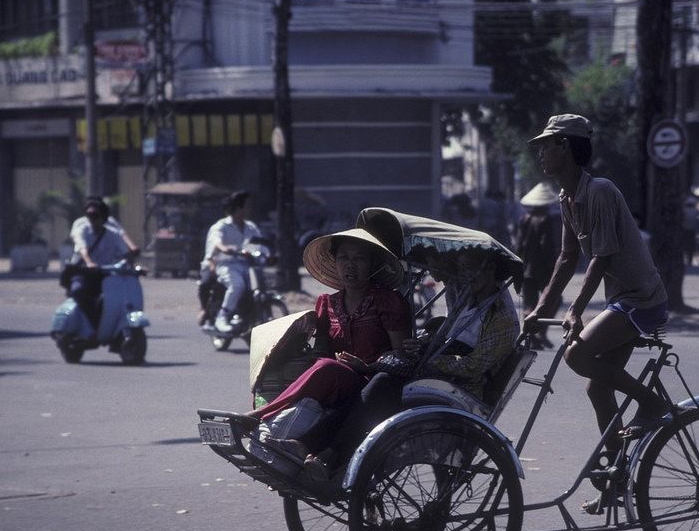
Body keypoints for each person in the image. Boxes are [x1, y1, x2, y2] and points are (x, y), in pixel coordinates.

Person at [521, 114, 670, 514]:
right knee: (596, 387)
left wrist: (575, 311)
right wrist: (540, 309)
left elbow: (600, 258)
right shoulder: (568, 198)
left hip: (641, 299)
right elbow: (567, 257)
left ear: (566, 147)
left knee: (576, 355)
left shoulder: (600, 191)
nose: (540, 153)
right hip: (622, 301)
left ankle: (652, 404)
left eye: (547, 145)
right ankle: (617, 479)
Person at [310, 248, 520, 481]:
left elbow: (472, 366)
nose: (463, 275)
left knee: (384, 384)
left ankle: (334, 453)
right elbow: (445, 314)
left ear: (490, 269)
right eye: (460, 269)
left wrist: (428, 361)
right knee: (369, 384)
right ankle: (317, 447)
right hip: (439, 372)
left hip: (463, 386)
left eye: (468, 269)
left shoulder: (502, 318)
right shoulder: (468, 300)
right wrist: (420, 345)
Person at [244, 228, 409, 471]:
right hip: (336, 382)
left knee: (326, 367)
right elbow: (321, 352)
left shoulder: (388, 301)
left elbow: (402, 357)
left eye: (359, 259)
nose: (350, 266)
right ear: (335, 263)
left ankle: (259, 416)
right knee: (320, 366)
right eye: (344, 258)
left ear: (372, 264)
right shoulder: (327, 303)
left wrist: (367, 366)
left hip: (375, 381)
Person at [202, 191, 266, 332]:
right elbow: (217, 242)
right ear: (238, 207)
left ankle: (247, 317)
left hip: (246, 265)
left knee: (258, 289)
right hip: (225, 264)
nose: (250, 209)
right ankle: (222, 316)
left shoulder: (251, 227)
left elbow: (259, 244)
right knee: (237, 286)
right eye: (247, 206)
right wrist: (225, 248)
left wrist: (268, 254)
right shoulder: (221, 226)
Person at [67, 197, 133, 326]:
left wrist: (135, 266)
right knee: (78, 290)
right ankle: (93, 324)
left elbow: (125, 253)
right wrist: (89, 262)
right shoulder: (82, 230)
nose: (91, 219)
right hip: (83, 273)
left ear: (104, 217)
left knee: (115, 295)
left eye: (95, 215)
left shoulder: (112, 234)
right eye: (89, 215)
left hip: (104, 275)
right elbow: (82, 248)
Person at [514, 182, 560, 349]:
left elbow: (518, 245)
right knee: (553, 299)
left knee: (530, 304)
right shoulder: (545, 220)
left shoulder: (524, 219)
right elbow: (546, 245)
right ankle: (541, 332)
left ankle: (533, 336)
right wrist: (554, 267)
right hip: (543, 269)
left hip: (526, 269)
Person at [70, 196, 139, 255]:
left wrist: (132, 246)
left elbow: (121, 234)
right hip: (84, 262)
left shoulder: (110, 221)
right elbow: (76, 238)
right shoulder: (80, 223)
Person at [682, 196, 699, 266]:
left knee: (685, 245)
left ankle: (686, 259)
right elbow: (698, 221)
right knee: (691, 246)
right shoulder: (696, 211)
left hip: (685, 230)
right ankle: (690, 260)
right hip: (693, 231)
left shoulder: (684, 210)